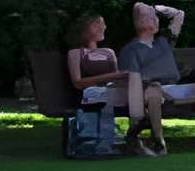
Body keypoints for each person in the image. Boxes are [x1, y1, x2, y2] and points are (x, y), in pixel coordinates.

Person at [116, 0, 195, 150]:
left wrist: (159, 9)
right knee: (154, 94)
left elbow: (179, 15)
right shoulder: (131, 49)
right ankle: (159, 142)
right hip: (150, 89)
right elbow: (129, 78)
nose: (154, 20)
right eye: (149, 17)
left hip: (173, 87)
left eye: (154, 17)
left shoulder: (164, 41)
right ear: (138, 23)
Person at [63, 13, 159, 156]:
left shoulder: (109, 52)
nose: (103, 27)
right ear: (83, 29)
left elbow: (117, 80)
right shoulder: (76, 53)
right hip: (90, 94)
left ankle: (139, 128)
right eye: (96, 24)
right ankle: (138, 129)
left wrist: (126, 76)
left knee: (141, 82)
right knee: (140, 91)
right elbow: (78, 83)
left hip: (114, 91)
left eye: (103, 23)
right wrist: (118, 75)